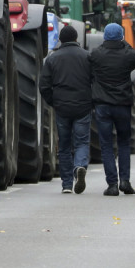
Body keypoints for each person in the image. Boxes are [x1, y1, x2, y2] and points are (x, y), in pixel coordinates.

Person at [89, 23, 135, 196]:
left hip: (103, 106)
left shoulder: (96, 54)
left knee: (106, 145)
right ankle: (125, 180)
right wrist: (124, 42)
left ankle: (112, 184)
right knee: (124, 143)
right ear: (121, 37)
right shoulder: (127, 55)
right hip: (122, 105)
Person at [41, 24, 92, 194]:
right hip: (83, 106)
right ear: (76, 39)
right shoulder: (87, 57)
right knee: (82, 142)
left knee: (64, 145)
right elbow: (96, 81)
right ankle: (79, 166)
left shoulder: (52, 59)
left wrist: (53, 102)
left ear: (60, 40)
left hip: (62, 107)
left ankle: (67, 184)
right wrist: (91, 101)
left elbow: (44, 85)